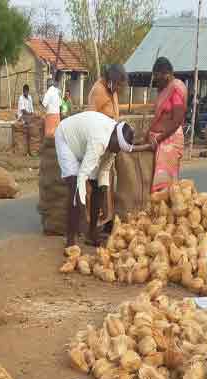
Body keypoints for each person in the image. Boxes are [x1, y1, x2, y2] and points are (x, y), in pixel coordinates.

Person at [55, 111, 141, 247]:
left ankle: (92, 234)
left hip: (84, 144)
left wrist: (104, 198)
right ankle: (70, 241)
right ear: (114, 138)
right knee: (75, 189)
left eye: (119, 149)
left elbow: (104, 171)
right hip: (67, 139)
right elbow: (82, 175)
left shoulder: (113, 144)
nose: (117, 151)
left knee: (97, 187)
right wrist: (82, 206)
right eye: (117, 147)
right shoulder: (99, 141)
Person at [148, 57, 187, 194]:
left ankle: (164, 207)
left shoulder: (176, 89)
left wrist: (159, 139)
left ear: (166, 75)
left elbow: (176, 122)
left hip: (170, 140)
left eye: (157, 77)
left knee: (165, 186)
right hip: (160, 138)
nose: (156, 80)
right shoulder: (164, 90)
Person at [17, 84, 35, 155]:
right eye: (25, 92)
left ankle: (31, 149)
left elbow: (32, 109)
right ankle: (26, 150)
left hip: (28, 116)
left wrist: (32, 115)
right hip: (22, 116)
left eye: (27, 92)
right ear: (23, 91)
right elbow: (23, 110)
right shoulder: (21, 98)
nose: (26, 93)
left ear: (28, 91)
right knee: (29, 126)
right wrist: (30, 115)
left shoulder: (30, 97)